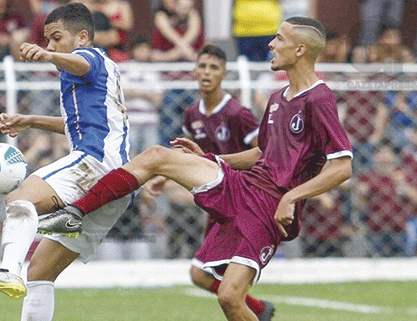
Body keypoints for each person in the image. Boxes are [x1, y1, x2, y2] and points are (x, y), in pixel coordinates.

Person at [39, 17, 353, 320]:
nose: (271, 44)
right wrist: (211, 159)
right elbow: (262, 153)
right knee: (156, 156)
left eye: (279, 39)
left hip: (269, 207)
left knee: (229, 298)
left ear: (300, 49)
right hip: (243, 186)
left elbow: (342, 167)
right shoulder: (276, 97)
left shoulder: (319, 97)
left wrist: (291, 198)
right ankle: (75, 213)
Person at [0, 4, 131, 321]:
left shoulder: (90, 57)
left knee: (19, 196)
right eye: (47, 40)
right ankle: (66, 215)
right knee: (39, 270)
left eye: (56, 38)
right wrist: (30, 120)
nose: (50, 45)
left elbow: (80, 62)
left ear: (82, 37)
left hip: (95, 164)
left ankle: (8, 269)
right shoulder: (94, 77)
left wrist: (48, 55)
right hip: (117, 184)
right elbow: (74, 122)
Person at [147, 44, 272, 319]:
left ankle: (257, 310)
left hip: (244, 203)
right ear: (194, 71)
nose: (206, 72)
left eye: (214, 67)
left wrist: (220, 162)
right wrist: (164, 175)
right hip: (218, 204)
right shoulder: (192, 113)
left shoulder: (238, 114)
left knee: (210, 278)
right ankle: (259, 310)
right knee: (201, 275)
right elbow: (191, 155)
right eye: (202, 66)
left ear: (224, 74)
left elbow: (262, 156)